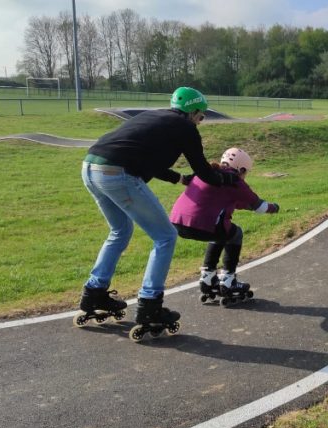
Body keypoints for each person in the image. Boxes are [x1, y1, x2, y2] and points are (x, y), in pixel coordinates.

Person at [78, 86, 239, 330]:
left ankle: (94, 293)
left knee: (120, 231)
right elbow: (204, 171)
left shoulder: (151, 117)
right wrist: (228, 179)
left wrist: (179, 179)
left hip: (90, 168)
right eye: (202, 116)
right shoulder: (186, 128)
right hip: (117, 174)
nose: (201, 121)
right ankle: (150, 304)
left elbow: (146, 159)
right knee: (165, 237)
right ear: (193, 111)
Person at [170, 148, 279, 303]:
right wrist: (274, 208)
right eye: (245, 172)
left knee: (221, 231)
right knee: (235, 233)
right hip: (202, 226)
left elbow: (238, 203)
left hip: (176, 222)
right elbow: (259, 207)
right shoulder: (235, 181)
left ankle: (207, 278)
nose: (244, 176)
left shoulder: (207, 172)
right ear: (241, 169)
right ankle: (228, 280)